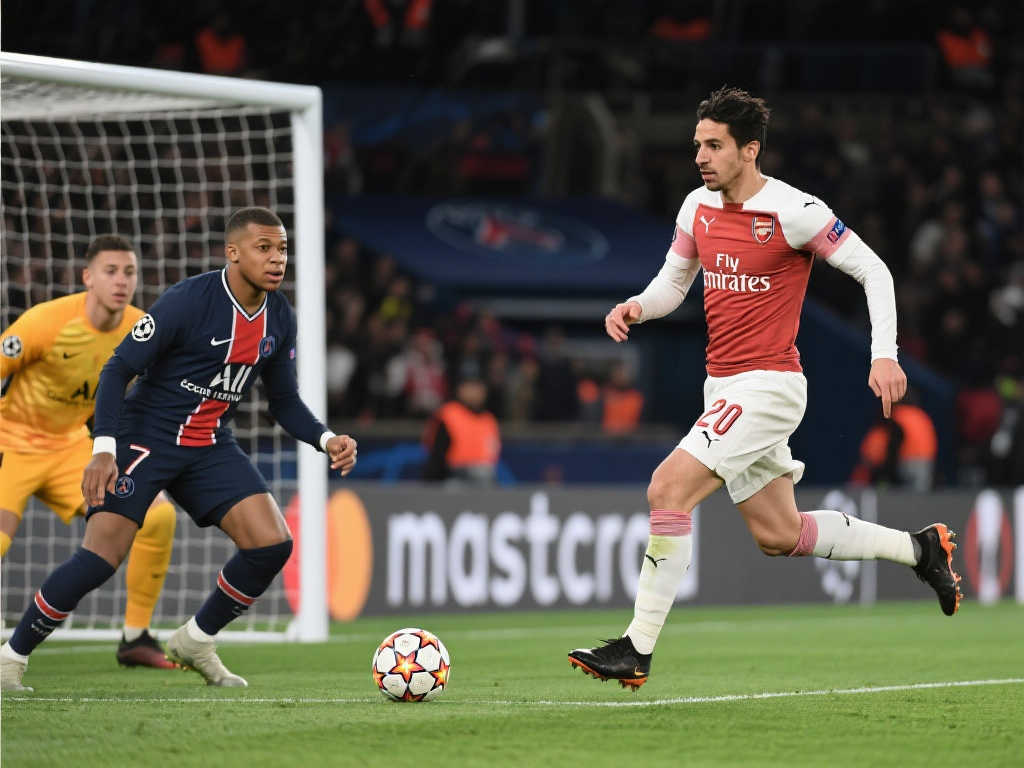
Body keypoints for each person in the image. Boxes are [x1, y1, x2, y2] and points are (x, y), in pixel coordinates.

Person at [567, 87, 962, 691]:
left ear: (749, 150)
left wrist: (884, 354)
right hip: (722, 388)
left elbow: (874, 270)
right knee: (780, 534)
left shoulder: (794, 211)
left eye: (714, 145)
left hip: (768, 387)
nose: (700, 157)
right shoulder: (696, 207)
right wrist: (638, 306)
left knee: (667, 489)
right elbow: (674, 284)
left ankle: (636, 648)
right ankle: (920, 549)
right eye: (697, 144)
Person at [0, 208, 357, 691]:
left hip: (208, 443)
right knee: (100, 557)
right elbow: (116, 370)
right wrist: (104, 448)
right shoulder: (188, 300)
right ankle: (12, 656)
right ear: (233, 253)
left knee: (272, 544)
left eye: (282, 249)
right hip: (145, 437)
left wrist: (326, 439)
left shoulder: (279, 317)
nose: (277, 259)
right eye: (264, 248)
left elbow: (284, 402)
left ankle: (196, 639)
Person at [0, 235, 178, 670]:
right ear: (87, 277)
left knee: (157, 515)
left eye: (129, 272)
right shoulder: (46, 321)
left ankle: (135, 637)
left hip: (72, 448)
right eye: (110, 271)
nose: (121, 281)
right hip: (12, 442)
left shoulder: (141, 328)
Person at [421, 371, 500, 485]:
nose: (475, 392)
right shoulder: (448, 414)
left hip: (485, 479)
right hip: (455, 478)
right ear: (460, 389)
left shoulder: (489, 420)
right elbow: (436, 456)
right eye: (470, 387)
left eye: (479, 387)